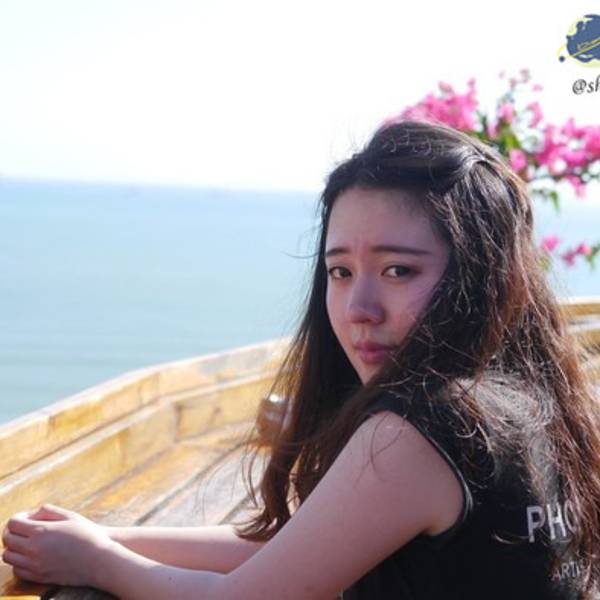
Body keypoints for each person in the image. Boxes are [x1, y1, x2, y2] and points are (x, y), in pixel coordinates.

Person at [2, 119, 600, 599]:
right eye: (340, 272)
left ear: (483, 279)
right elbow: (307, 550)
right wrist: (109, 537)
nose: (358, 308)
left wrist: (99, 562)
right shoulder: (526, 407)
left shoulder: (425, 428)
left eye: (398, 270)